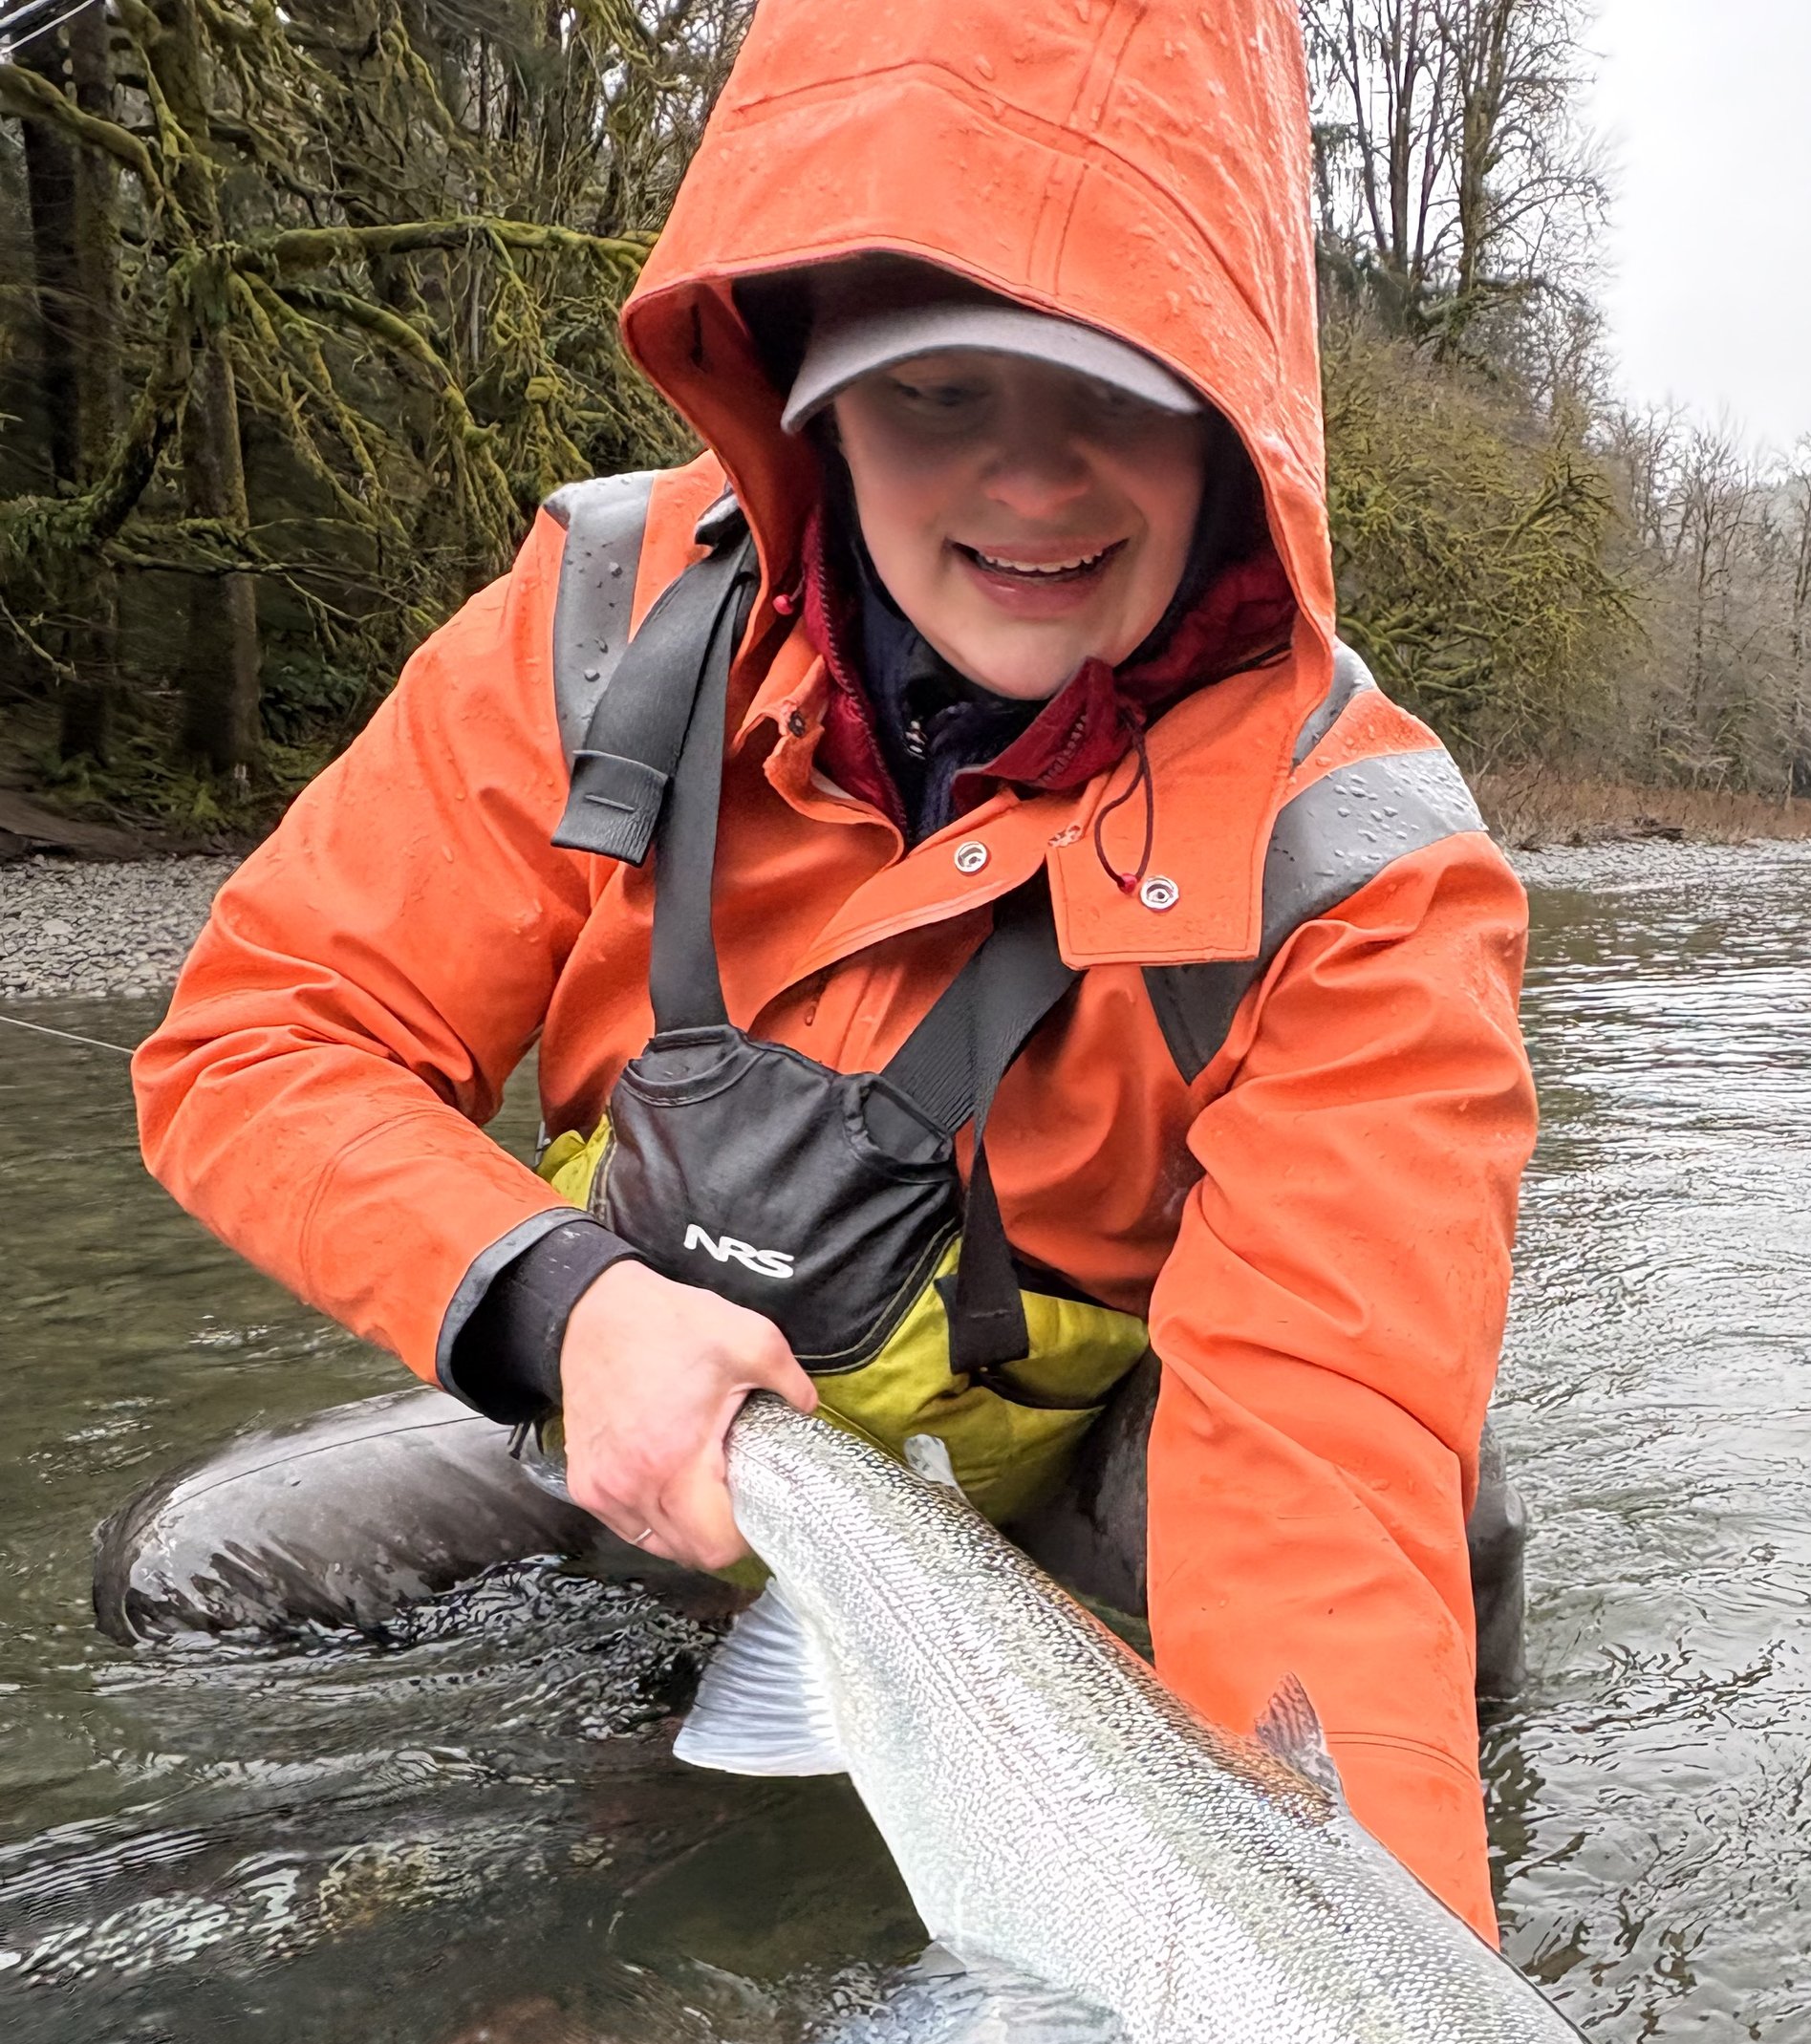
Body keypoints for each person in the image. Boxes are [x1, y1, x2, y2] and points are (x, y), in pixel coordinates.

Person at [120, 0, 1536, 1939]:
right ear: (807, 397)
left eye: (1114, 388)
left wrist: (1376, 2019)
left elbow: (1324, 1440)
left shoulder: (1358, 863)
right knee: (196, 1572)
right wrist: (570, 1316)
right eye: (939, 392)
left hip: (1045, 1497)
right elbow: (263, 1039)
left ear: (1233, 417)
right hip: (628, 1420)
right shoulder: (602, 616)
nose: (1031, 488)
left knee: (1430, 1557)